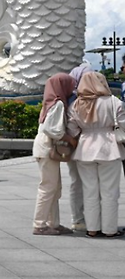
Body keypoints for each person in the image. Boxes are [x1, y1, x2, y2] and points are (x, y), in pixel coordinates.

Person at [67, 71, 125, 238]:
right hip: (109, 148)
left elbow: (72, 129)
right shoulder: (114, 102)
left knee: (89, 190)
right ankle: (109, 229)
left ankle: (92, 228)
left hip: (85, 149)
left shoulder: (77, 104)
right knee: (110, 191)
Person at [31, 73, 77, 236]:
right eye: (70, 84)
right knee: (48, 187)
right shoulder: (58, 104)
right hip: (46, 148)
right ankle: (40, 224)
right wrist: (69, 139)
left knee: (54, 187)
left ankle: (53, 223)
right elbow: (50, 129)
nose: (72, 87)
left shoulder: (50, 102)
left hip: (43, 148)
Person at [67, 62, 93, 231]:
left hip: (80, 144)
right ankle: (79, 218)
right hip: (79, 145)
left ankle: (85, 218)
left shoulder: (71, 98)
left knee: (85, 182)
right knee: (80, 181)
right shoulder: (73, 99)